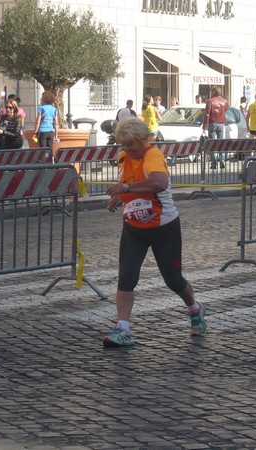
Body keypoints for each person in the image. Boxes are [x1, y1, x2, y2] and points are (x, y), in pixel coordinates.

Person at [102, 117, 207, 347]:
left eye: (130, 144)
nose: (126, 149)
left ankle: (195, 308)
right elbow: (128, 183)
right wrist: (119, 198)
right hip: (134, 228)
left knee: (173, 280)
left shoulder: (153, 155)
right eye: (123, 144)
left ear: (143, 140)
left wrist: (126, 189)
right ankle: (123, 328)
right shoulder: (123, 158)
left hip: (163, 227)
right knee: (126, 277)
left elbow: (158, 183)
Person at [202, 85, 229, 169]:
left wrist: (204, 126)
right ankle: (222, 159)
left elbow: (207, 114)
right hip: (221, 123)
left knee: (212, 143)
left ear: (213, 92)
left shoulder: (210, 101)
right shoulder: (224, 101)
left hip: (212, 123)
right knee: (221, 142)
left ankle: (213, 162)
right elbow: (226, 109)